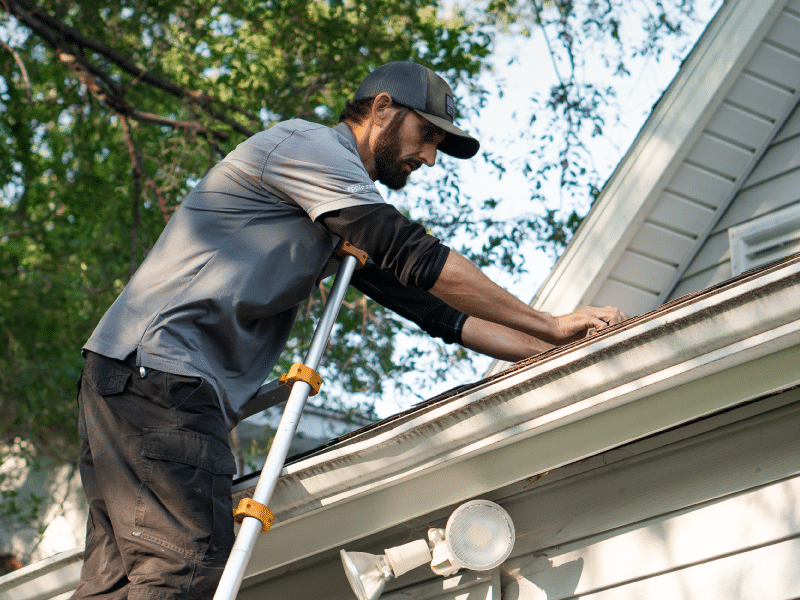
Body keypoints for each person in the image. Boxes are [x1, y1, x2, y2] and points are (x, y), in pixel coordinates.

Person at [72, 61, 624, 599]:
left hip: (130, 377)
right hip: (162, 379)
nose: (430, 158)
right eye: (427, 135)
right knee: (185, 571)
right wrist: (548, 321)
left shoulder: (333, 210)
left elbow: (440, 313)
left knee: (116, 585)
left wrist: (551, 351)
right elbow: (413, 254)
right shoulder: (309, 148)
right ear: (383, 109)